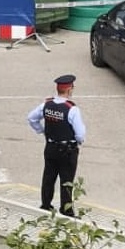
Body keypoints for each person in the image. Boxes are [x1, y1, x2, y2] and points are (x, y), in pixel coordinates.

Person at [26, 74, 87, 217]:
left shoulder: (46, 105)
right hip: (68, 150)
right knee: (67, 181)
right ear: (69, 89)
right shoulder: (72, 109)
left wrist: (41, 131)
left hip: (51, 147)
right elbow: (80, 134)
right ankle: (66, 210)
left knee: (48, 176)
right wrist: (77, 141)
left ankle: (45, 205)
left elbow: (31, 118)